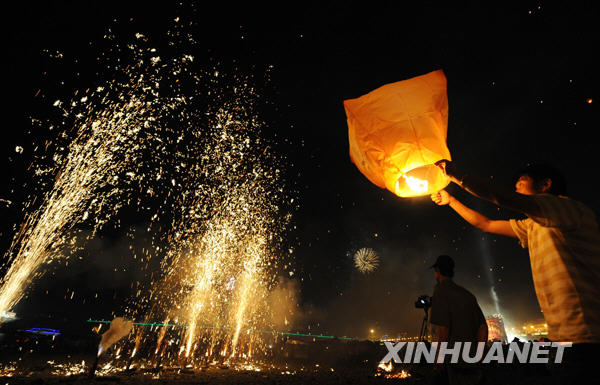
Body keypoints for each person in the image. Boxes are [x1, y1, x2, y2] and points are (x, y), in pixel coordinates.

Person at [430, 161, 600, 346]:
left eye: (522, 180)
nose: (516, 186)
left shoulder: (567, 208)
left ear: (545, 185)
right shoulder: (533, 225)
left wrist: (458, 177)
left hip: (586, 332)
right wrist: (451, 201)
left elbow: (504, 198)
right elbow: (485, 224)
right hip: (565, 334)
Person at [429, 254, 488, 385]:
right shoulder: (468, 295)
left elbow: (443, 328)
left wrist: (438, 358)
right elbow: (483, 328)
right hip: (474, 361)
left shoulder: (440, 290)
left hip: (455, 362)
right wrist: (480, 355)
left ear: (437, 271)